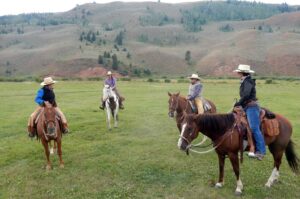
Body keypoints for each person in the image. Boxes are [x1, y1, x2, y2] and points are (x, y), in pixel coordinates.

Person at [233, 64, 266, 160]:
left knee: (254, 128)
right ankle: (243, 145)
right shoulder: (245, 81)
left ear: (242, 72)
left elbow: (246, 95)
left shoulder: (248, 81)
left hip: (251, 107)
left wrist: (238, 103)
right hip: (246, 106)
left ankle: (261, 151)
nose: (237, 73)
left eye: (238, 72)